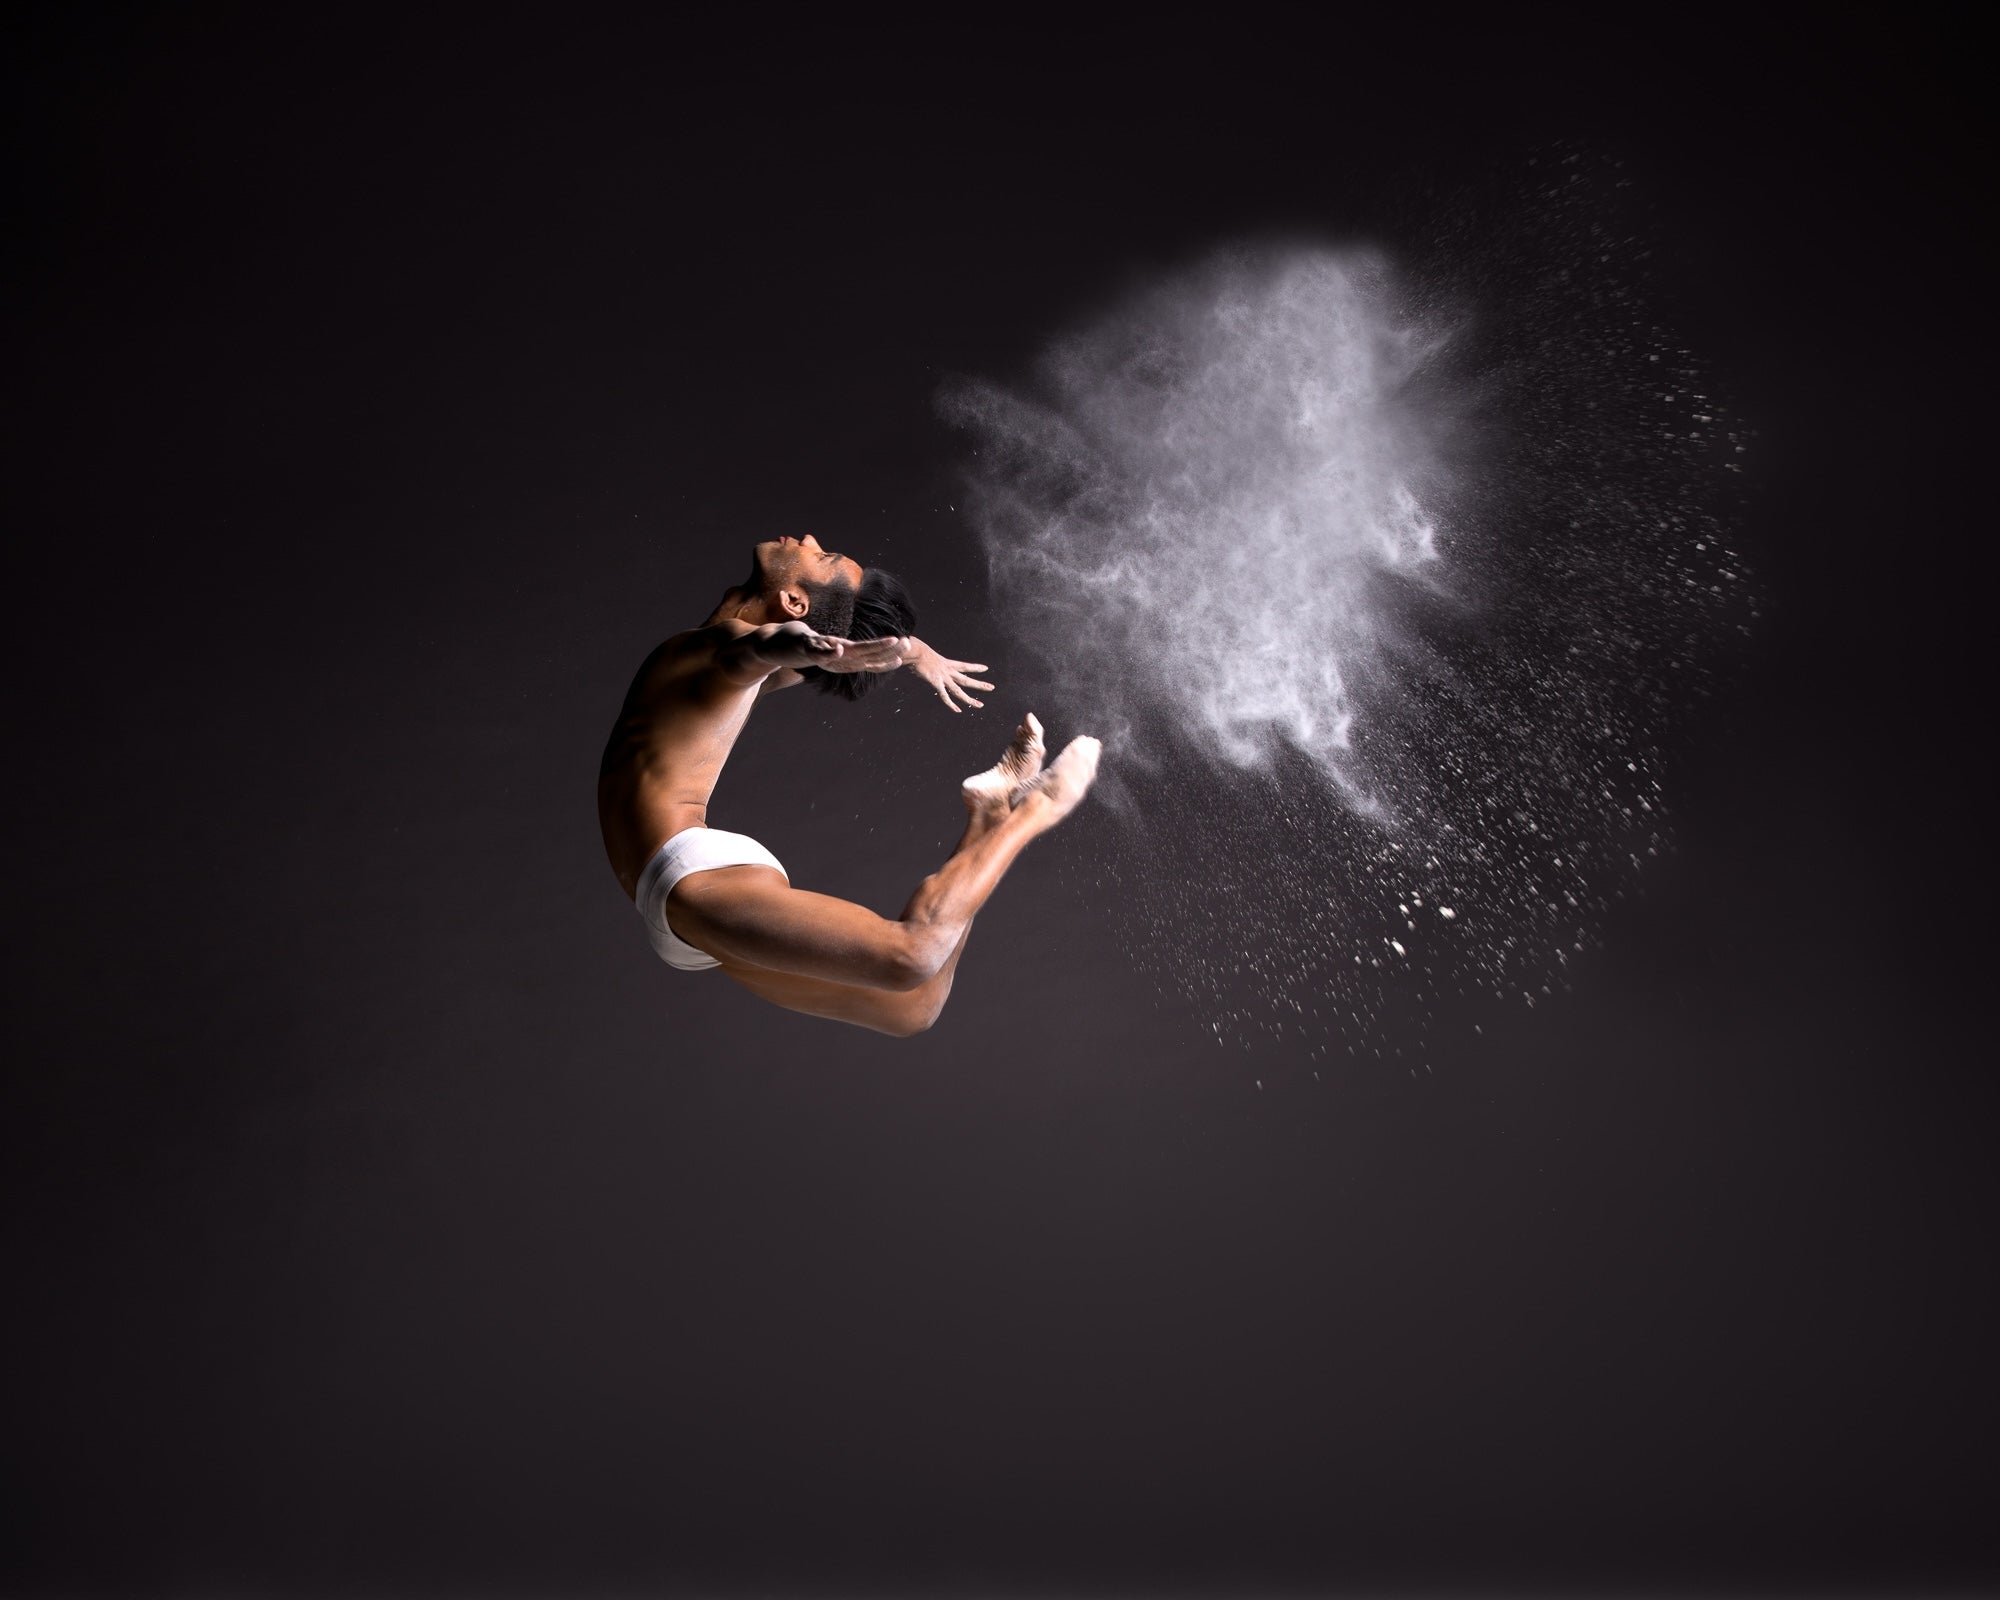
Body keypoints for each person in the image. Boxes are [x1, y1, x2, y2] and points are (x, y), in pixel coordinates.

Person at [597, 534, 1101, 1035]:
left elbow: (758, 648)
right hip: (668, 909)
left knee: (911, 956)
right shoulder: (724, 659)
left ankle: (1036, 809)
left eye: (821, 555)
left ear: (794, 601)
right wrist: (893, 652)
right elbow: (764, 650)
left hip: (690, 875)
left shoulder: (727, 654)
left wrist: (810, 646)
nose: (810, 539)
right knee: (914, 1009)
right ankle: (989, 811)